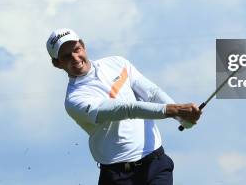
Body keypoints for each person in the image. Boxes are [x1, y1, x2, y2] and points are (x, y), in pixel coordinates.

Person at [46, 28, 201, 185]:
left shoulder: (117, 63)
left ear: (83, 46)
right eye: (66, 56)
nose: (75, 57)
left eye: (76, 49)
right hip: (117, 176)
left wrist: (181, 117)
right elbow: (126, 109)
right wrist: (173, 110)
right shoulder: (74, 99)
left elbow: (151, 93)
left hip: (155, 164)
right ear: (57, 64)